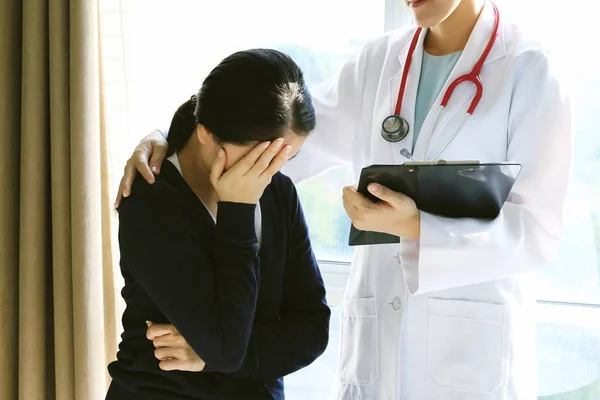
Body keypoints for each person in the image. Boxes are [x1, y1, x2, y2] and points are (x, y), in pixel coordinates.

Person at [114, 0, 572, 398]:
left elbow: (538, 232)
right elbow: (275, 139)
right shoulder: (380, 61)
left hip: (471, 347)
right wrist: (167, 138)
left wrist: (418, 228)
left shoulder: (530, 70)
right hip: (376, 345)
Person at [106, 49, 330, 400]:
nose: (269, 170)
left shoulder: (278, 191)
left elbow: (313, 327)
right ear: (206, 133)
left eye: (285, 157)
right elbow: (226, 347)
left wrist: (213, 358)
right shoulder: (152, 203)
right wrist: (237, 209)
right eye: (259, 155)